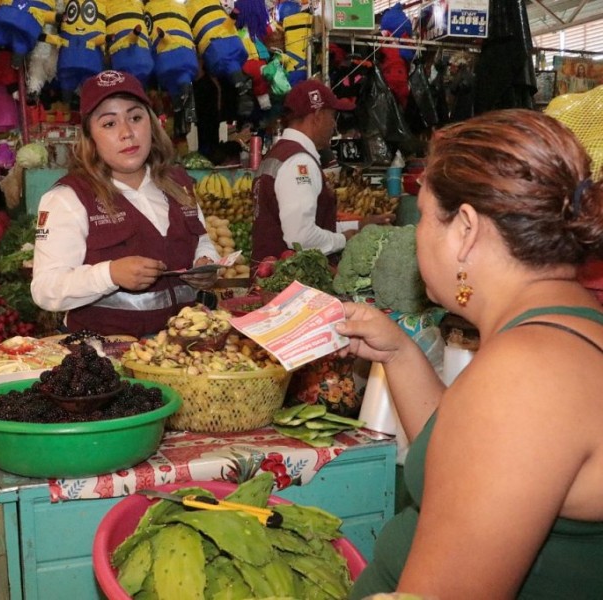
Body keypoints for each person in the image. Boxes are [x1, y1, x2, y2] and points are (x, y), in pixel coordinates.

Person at [335, 110, 603, 599]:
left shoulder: (527, 375)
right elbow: (474, 462)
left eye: (421, 215)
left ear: (464, 229)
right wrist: (399, 354)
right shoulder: (567, 324)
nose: (416, 234)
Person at [31, 70, 220, 338]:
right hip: (106, 362)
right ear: (90, 138)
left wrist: (207, 261)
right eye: (109, 124)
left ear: (151, 125)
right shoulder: (68, 198)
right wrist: (109, 274)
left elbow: (201, 238)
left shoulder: (179, 183)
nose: (127, 133)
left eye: (135, 117)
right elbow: (45, 289)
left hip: (184, 352)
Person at [251, 79, 392, 267]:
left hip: (271, 277)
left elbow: (308, 223)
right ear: (317, 116)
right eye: (332, 116)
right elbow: (300, 237)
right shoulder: (299, 162)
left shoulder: (279, 154)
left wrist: (359, 225)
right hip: (289, 283)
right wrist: (343, 239)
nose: (334, 125)